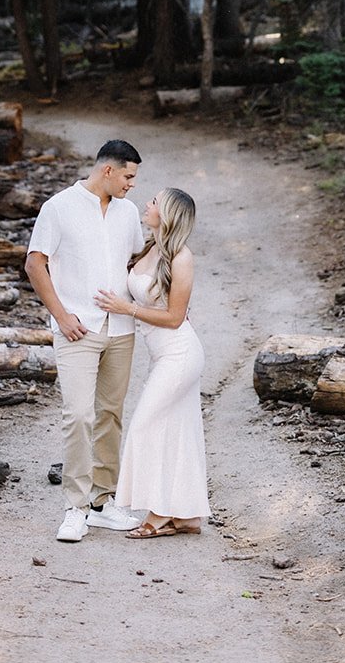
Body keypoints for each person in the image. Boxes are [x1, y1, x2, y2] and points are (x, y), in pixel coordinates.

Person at [25, 140, 145, 543]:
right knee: (78, 415)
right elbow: (34, 262)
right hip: (77, 328)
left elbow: (132, 264)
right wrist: (61, 316)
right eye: (128, 176)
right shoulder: (58, 207)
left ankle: (101, 503)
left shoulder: (128, 213)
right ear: (108, 171)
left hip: (121, 331)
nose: (132, 185)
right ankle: (74, 508)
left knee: (110, 415)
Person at [94, 187, 209, 539]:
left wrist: (126, 308)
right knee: (177, 431)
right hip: (161, 355)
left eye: (155, 202)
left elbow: (175, 317)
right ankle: (184, 517)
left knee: (144, 424)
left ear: (169, 213)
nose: (147, 204)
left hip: (181, 354)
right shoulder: (149, 249)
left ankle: (158, 514)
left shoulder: (181, 257)